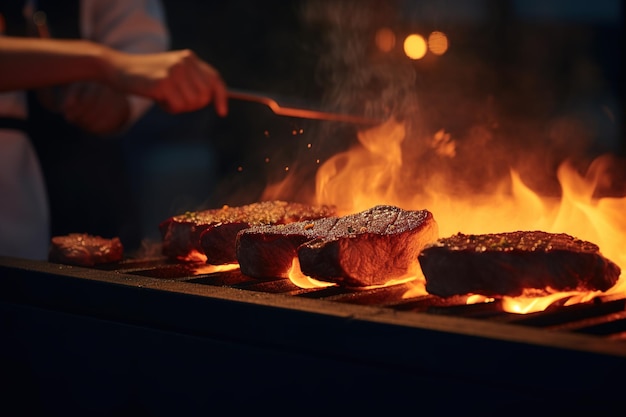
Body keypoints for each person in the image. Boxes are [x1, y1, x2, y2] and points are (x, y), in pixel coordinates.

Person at [0, 0, 228, 260]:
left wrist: (121, 101)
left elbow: (138, 37)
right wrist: (106, 64)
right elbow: (122, 64)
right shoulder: (105, 64)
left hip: (86, 178)